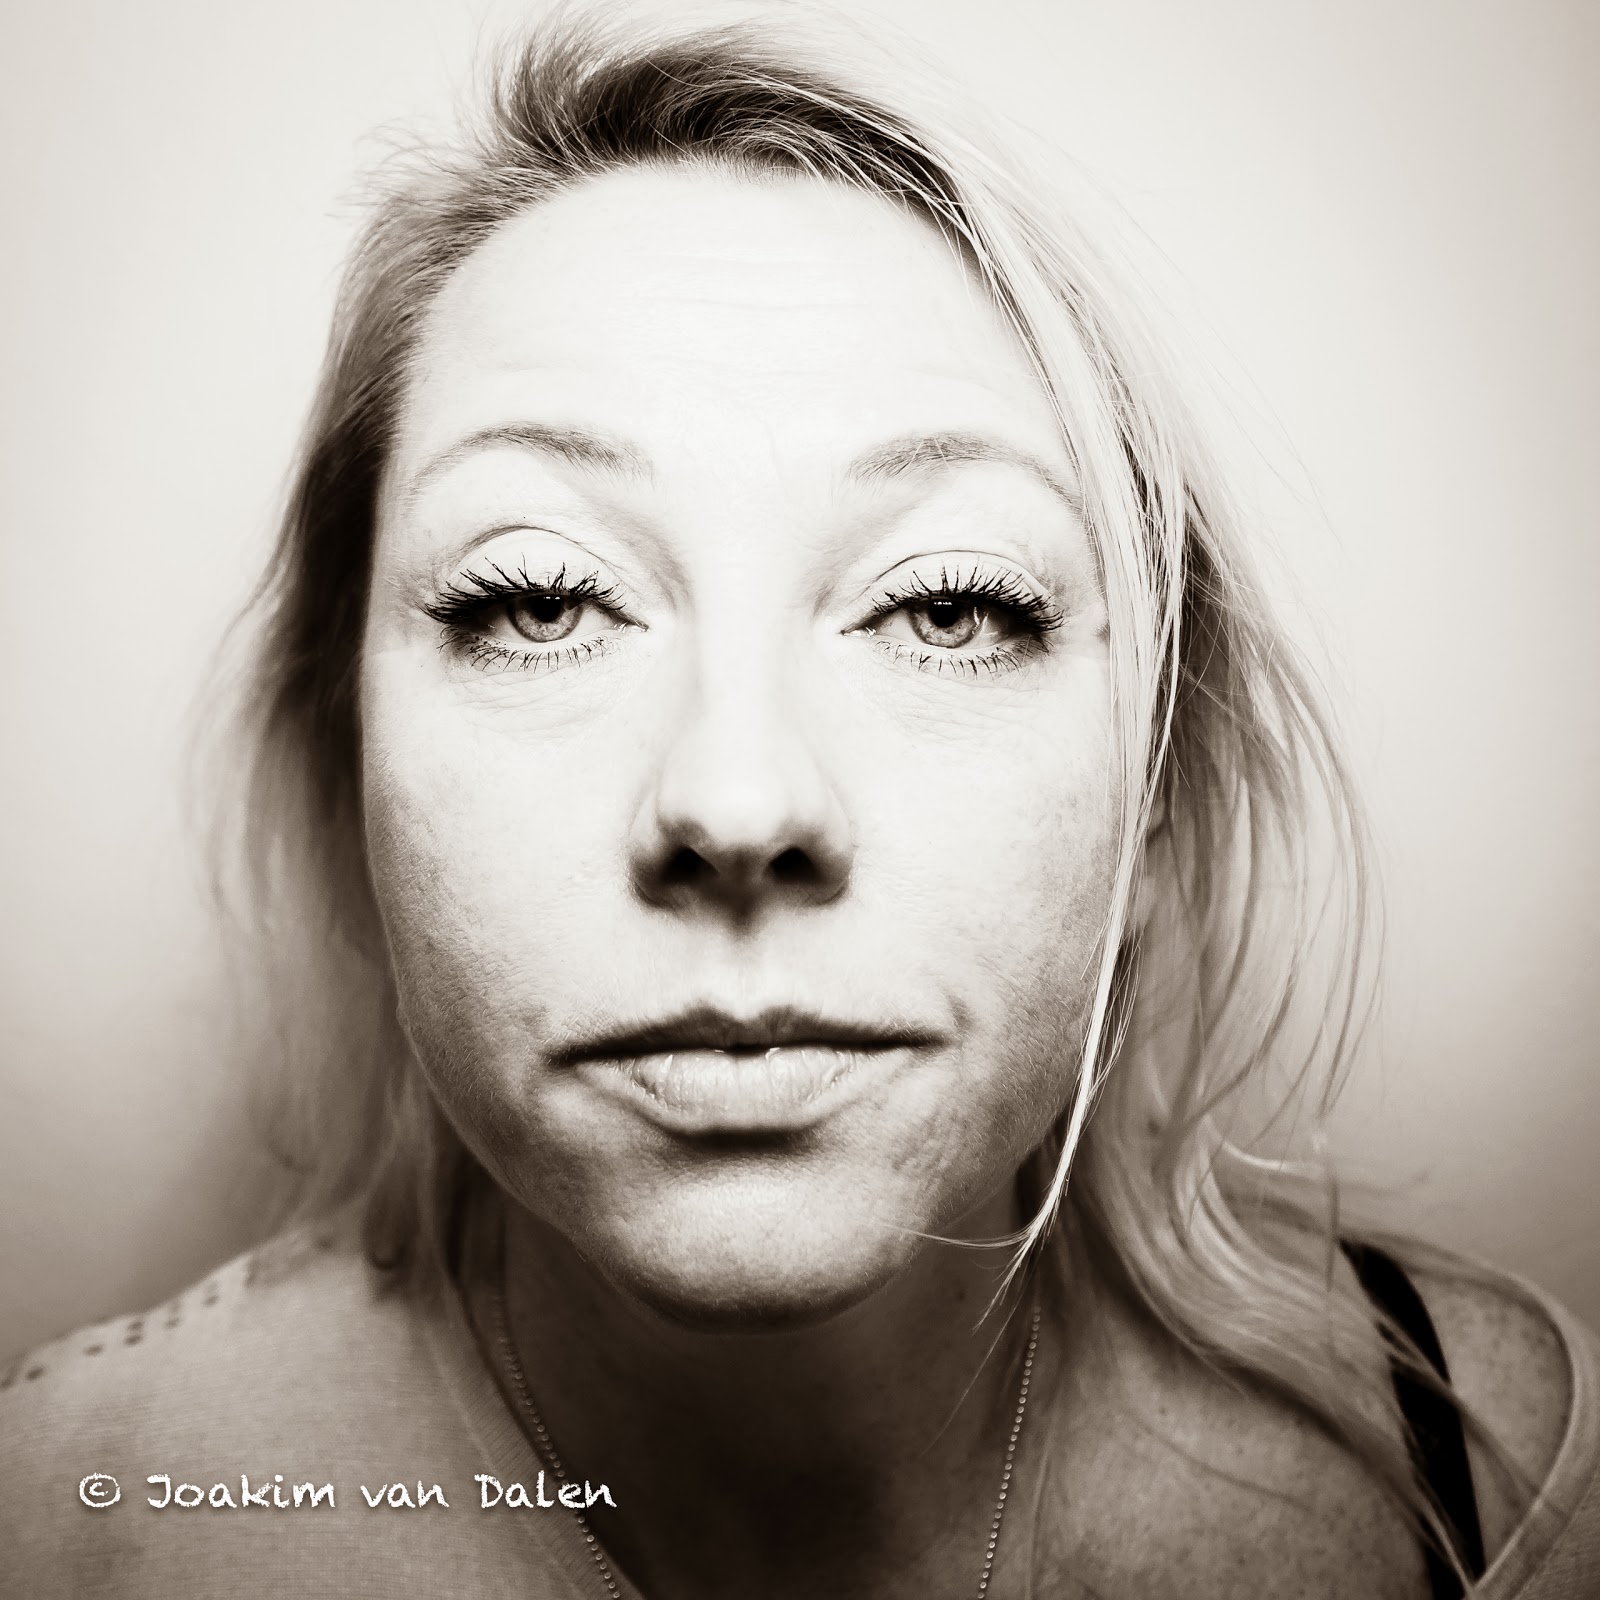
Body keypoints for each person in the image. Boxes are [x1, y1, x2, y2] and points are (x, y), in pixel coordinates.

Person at [2, 5, 1594, 1597]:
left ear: (1155, 802)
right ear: (350, 769)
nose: (739, 799)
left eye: (950, 606)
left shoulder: (1507, 1482)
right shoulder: (66, 1528)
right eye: (539, 600)